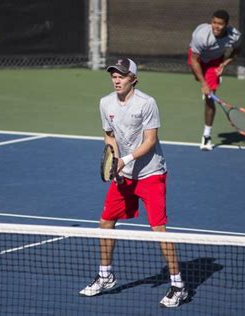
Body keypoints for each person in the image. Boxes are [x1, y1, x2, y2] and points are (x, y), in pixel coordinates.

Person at [79, 57, 188, 308]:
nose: (116, 79)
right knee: (105, 222)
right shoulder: (105, 103)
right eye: (113, 75)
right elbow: (109, 136)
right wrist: (115, 158)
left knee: (158, 230)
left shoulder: (147, 103)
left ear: (133, 79)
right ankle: (106, 276)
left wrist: (125, 159)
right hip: (124, 175)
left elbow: (150, 141)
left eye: (122, 75)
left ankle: (178, 286)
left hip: (151, 174)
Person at [188, 9, 242, 151]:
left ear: (227, 25)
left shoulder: (234, 36)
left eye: (220, 24)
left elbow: (237, 50)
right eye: (214, 23)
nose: (216, 26)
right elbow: (194, 60)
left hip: (214, 62)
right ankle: (206, 83)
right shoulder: (201, 35)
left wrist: (224, 64)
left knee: (209, 97)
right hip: (197, 59)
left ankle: (206, 135)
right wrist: (203, 83)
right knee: (197, 77)